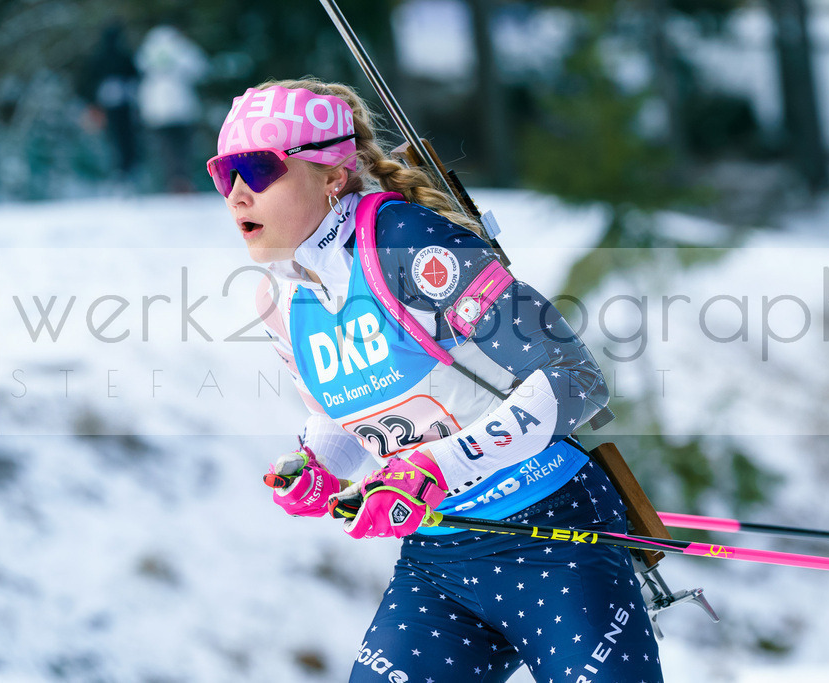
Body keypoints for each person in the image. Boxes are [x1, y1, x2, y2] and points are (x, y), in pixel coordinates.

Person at [207, 77, 664, 682]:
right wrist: (318, 464)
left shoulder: (405, 241)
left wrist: (439, 466)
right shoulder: (280, 301)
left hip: (551, 533)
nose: (237, 195)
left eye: (257, 170)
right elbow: (350, 415)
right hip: (443, 555)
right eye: (223, 174)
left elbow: (572, 378)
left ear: (332, 176)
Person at [136, 24, 207, 192]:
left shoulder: (147, 50)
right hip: (181, 107)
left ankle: (172, 181)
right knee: (183, 147)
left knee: (165, 149)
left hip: (157, 110)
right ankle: (183, 181)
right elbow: (200, 68)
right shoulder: (181, 48)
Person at [77, 20, 140, 185]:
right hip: (116, 106)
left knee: (115, 139)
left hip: (110, 105)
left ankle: (120, 172)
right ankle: (122, 172)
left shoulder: (99, 56)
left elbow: (86, 82)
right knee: (122, 139)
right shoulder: (123, 55)